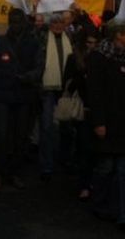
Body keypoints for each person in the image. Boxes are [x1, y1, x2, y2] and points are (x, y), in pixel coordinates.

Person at [0, 9, 43, 190]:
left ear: (24, 22)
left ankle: (14, 172)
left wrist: (28, 77)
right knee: (1, 135)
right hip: (2, 95)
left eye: (18, 21)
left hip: (24, 96)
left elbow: (40, 67)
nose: (15, 25)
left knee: (20, 136)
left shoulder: (33, 43)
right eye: (12, 21)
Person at [88, 18, 125, 227]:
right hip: (107, 121)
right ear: (118, 35)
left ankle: (117, 209)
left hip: (122, 123)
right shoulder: (99, 57)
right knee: (106, 166)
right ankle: (100, 203)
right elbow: (95, 92)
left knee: (120, 168)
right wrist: (99, 122)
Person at [64, 29, 99, 200]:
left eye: (94, 43)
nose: (92, 46)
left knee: (93, 149)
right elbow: (68, 84)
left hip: (96, 110)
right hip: (82, 109)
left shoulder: (100, 60)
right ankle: (84, 183)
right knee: (84, 147)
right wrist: (81, 77)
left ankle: (90, 181)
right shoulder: (74, 59)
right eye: (89, 43)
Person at [38, 13, 73, 181]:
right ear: (49, 24)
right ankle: (47, 165)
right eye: (54, 22)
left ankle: (64, 160)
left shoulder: (70, 37)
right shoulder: (43, 37)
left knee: (66, 128)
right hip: (48, 89)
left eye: (61, 21)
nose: (58, 25)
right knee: (47, 128)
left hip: (66, 89)